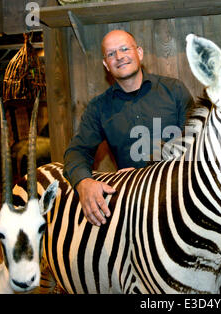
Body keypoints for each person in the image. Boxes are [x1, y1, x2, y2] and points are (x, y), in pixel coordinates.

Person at [63, 30, 193, 226]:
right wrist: (83, 182)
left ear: (139, 53)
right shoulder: (99, 108)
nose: (119, 57)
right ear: (106, 64)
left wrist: (146, 173)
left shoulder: (174, 91)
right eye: (111, 53)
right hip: (134, 211)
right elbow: (76, 152)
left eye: (125, 49)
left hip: (181, 202)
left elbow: (196, 144)